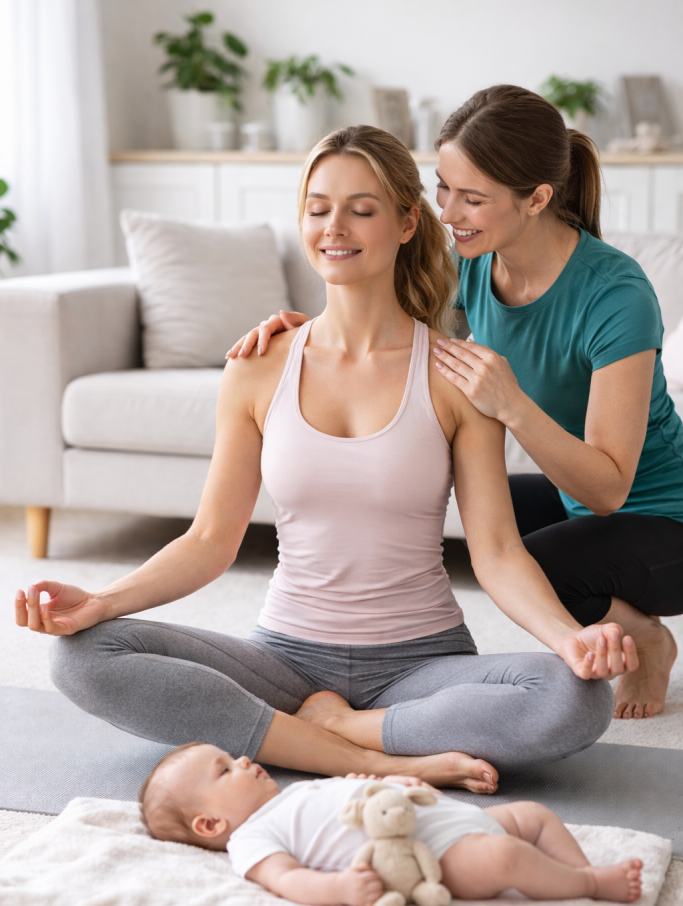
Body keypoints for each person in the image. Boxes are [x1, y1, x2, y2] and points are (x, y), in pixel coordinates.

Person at [16, 125, 636, 794]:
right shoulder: (258, 366)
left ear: (405, 223)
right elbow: (208, 541)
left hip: (419, 665)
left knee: (574, 697)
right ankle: (372, 758)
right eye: (317, 208)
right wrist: (99, 600)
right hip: (284, 660)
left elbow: (495, 553)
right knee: (83, 655)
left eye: (361, 209)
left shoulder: (457, 376)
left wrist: (567, 639)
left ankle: (331, 733)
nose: (333, 227)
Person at [232, 88, 683, 722]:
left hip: (664, 516)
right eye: (444, 189)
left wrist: (514, 406)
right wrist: (308, 335)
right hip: (572, 497)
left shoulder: (615, 294)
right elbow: (394, 340)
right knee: (475, 518)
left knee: (538, 568)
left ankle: (647, 635)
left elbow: (610, 489)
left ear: (537, 199)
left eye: (472, 199)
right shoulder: (472, 261)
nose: (449, 212)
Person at [139, 742, 644, 906]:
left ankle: (575, 867)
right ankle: (587, 884)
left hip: (451, 818)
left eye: (233, 755)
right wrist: (340, 888)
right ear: (210, 823)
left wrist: (378, 785)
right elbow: (286, 880)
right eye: (225, 770)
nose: (245, 759)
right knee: (505, 857)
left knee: (533, 816)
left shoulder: (294, 795)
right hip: (439, 860)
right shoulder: (250, 839)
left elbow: (356, 805)